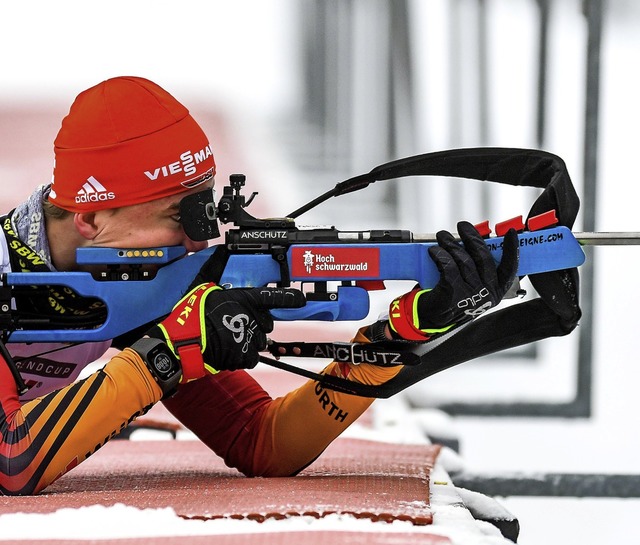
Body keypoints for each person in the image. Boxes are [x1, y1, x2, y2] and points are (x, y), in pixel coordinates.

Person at [0, 76, 519, 496]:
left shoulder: (132, 283)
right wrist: (164, 355)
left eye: (204, 213)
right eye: (174, 216)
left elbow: (262, 441)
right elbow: (11, 462)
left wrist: (397, 339)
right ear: (90, 216)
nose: (198, 242)